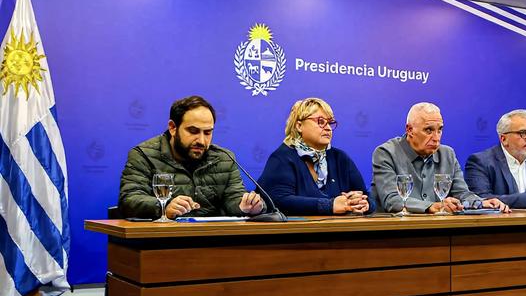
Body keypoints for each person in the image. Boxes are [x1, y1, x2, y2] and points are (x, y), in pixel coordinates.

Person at [119, 95, 264, 219]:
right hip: (161, 242)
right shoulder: (144, 155)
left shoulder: (224, 158)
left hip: (212, 241)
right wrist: (164, 207)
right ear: (173, 128)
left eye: (207, 133)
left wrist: (247, 206)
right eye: (193, 131)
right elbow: (129, 199)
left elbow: (233, 198)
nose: (201, 141)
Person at [371, 102, 509, 214]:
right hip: (396, 233)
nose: (436, 138)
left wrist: (481, 202)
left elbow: (461, 193)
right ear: (410, 130)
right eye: (428, 130)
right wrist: (432, 206)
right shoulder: (386, 153)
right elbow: (392, 200)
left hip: (439, 231)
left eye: (440, 130)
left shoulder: (447, 154)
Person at [257, 97, 371, 215]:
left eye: (330, 123)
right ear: (299, 126)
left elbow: (367, 197)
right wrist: (330, 205)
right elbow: (278, 201)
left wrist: (363, 203)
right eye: (320, 121)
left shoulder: (340, 158)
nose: (328, 128)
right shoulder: (282, 158)